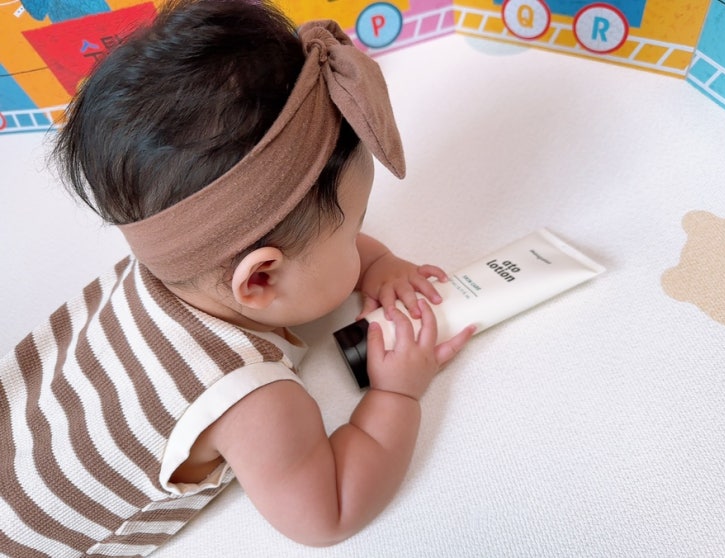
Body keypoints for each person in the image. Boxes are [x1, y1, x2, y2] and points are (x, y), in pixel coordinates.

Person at [0, 0, 475, 555]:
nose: (365, 243)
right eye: (355, 234)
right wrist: (396, 394)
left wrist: (376, 264)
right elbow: (329, 512)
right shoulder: (249, 398)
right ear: (259, 281)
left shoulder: (173, 255)